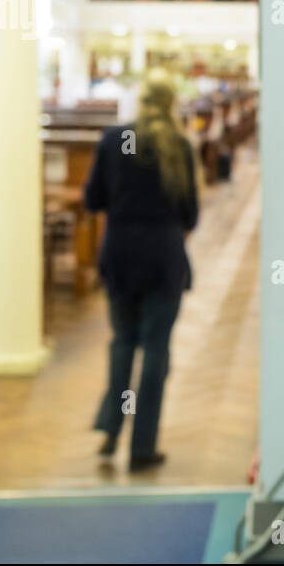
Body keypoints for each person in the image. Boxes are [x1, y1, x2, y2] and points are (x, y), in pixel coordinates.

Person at [84, 70, 198, 471]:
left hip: (120, 255)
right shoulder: (179, 146)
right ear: (171, 104)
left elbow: (92, 199)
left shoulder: (115, 140)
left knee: (122, 342)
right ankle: (143, 446)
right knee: (155, 349)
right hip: (162, 258)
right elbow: (191, 215)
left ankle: (112, 428)